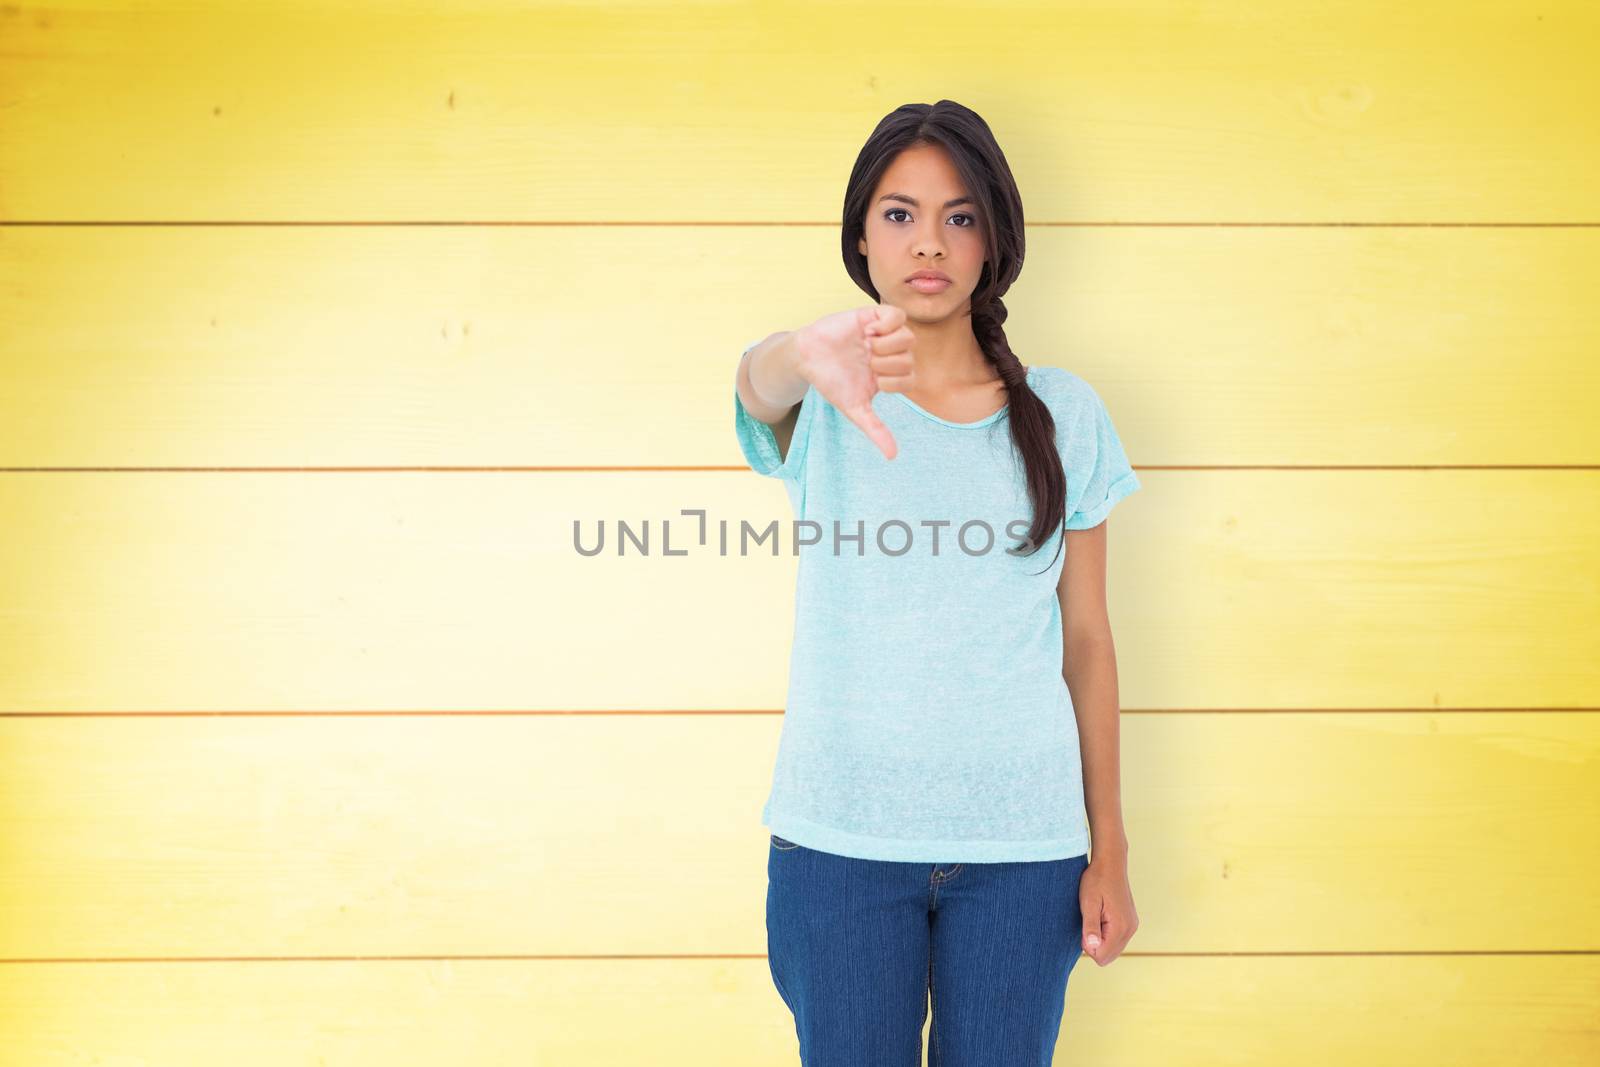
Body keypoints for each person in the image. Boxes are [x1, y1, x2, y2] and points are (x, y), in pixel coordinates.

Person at [732, 100, 1141, 1067]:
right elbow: (756, 384)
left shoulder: (1065, 416)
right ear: (861, 237)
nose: (930, 242)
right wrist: (801, 351)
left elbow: (1088, 642)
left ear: (994, 237)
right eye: (900, 213)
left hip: (1024, 853)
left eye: (960, 216)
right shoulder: (825, 401)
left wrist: (1110, 846)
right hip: (839, 845)